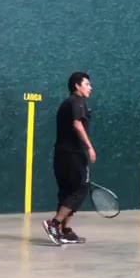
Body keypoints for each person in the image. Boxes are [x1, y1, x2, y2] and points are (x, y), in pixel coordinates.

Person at [42, 72, 96, 245]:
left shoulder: (68, 103)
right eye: (87, 84)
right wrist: (89, 147)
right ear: (77, 86)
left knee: (67, 192)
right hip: (72, 154)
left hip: (62, 155)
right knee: (80, 189)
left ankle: (63, 231)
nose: (90, 87)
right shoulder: (76, 102)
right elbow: (77, 124)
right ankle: (54, 224)